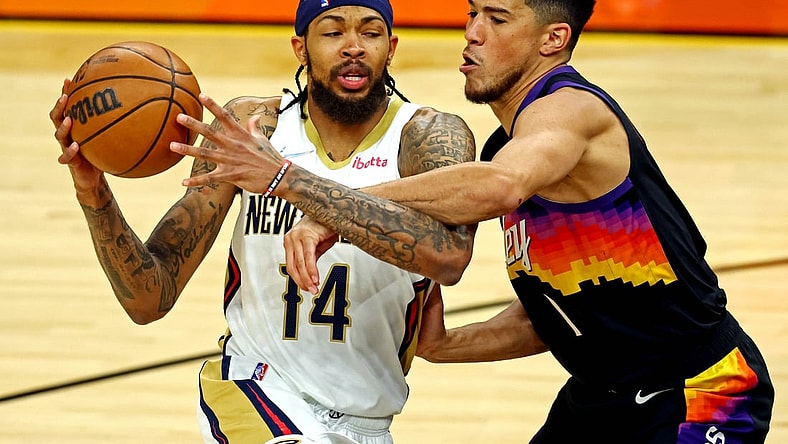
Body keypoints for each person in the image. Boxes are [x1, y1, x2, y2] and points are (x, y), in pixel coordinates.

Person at [186, 0, 776, 442]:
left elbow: (499, 187)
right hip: (605, 393)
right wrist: (446, 345)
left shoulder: (569, 110)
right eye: (471, 14)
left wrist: (326, 203)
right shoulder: (508, 144)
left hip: (700, 390)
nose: (470, 33)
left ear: (553, 39)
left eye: (496, 19)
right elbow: (562, 313)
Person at [49, 1, 476, 443]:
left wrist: (286, 181)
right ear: (300, 48)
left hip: (368, 422)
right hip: (256, 391)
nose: (353, 47)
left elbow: (449, 259)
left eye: (370, 33)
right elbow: (148, 297)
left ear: (391, 48)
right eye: (332, 33)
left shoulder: (427, 137)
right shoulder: (253, 129)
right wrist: (93, 191)